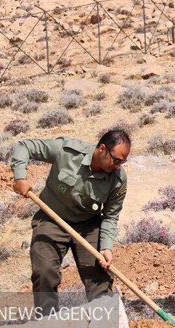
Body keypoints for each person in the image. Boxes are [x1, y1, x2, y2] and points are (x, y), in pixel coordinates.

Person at [11, 130, 131, 315]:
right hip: (51, 219)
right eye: (116, 160)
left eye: (122, 162)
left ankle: (102, 327)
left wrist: (106, 247)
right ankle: (48, 327)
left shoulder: (118, 180)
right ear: (102, 149)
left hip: (88, 226)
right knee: (44, 273)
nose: (118, 166)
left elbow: (110, 215)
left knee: (99, 278)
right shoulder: (66, 151)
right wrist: (20, 177)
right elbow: (24, 146)